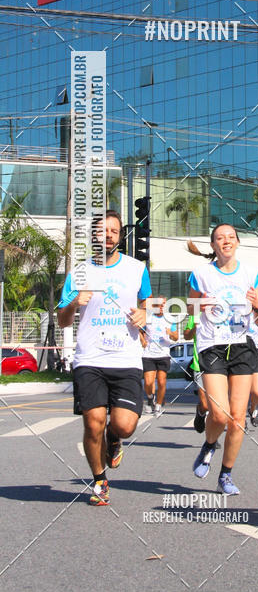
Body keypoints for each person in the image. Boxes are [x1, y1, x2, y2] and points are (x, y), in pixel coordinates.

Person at [57, 210, 151, 506]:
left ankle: (115, 439)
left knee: (124, 426)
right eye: (102, 230)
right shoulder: (80, 272)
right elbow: (62, 320)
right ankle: (99, 481)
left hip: (126, 358)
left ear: (120, 236)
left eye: (113, 230)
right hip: (90, 358)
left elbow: (146, 304)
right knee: (93, 422)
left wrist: (144, 315)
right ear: (94, 236)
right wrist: (74, 302)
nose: (108, 234)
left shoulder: (136, 269)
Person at [186, 224, 258, 495]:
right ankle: (208, 445)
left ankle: (226, 475)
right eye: (220, 238)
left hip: (242, 346)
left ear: (238, 242)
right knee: (219, 414)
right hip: (212, 347)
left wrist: (256, 306)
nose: (226, 241)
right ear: (213, 245)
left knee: (238, 418)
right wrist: (199, 306)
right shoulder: (201, 274)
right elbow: (189, 309)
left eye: (231, 237)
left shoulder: (251, 274)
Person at [141, 295, 178, 416]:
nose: (163, 307)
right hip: (149, 354)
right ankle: (150, 398)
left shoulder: (170, 319)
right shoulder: (148, 317)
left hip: (163, 354)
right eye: (161, 304)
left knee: (162, 382)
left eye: (164, 305)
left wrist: (170, 333)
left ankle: (158, 405)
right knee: (148, 382)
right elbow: (139, 330)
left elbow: (176, 337)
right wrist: (143, 341)